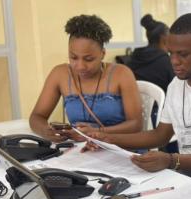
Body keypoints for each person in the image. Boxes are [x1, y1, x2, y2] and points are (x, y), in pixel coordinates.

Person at [87, 13, 191, 181]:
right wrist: (109, 139)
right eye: (171, 53)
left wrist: (171, 160)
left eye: (183, 54)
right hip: (187, 166)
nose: (174, 61)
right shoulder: (176, 85)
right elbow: (160, 135)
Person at [29, 14, 143, 143]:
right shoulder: (60, 74)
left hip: (119, 147)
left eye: (88, 59)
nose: (80, 66)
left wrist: (98, 132)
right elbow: (37, 116)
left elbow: (136, 124)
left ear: (102, 54)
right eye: (73, 57)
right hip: (82, 150)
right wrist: (46, 131)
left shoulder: (121, 74)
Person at [127, 14, 174, 93]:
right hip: (161, 104)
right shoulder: (167, 62)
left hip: (135, 103)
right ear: (164, 38)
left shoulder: (133, 58)